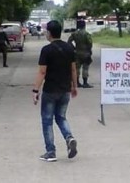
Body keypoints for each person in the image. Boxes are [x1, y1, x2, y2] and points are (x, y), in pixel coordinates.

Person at [32, 20, 78, 162]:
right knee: (61, 117)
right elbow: (73, 69)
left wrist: (35, 90)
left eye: (46, 31)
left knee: (47, 120)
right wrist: (74, 86)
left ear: (49, 33)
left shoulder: (46, 50)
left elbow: (42, 72)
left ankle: (50, 152)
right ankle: (69, 137)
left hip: (50, 91)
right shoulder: (69, 48)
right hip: (65, 90)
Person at [67, 19, 93, 88]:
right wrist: (89, 50)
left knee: (77, 68)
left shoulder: (74, 34)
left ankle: (77, 82)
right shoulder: (87, 34)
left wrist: (74, 48)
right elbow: (90, 43)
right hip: (86, 53)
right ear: (84, 25)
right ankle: (85, 83)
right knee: (85, 68)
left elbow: (69, 42)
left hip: (77, 53)